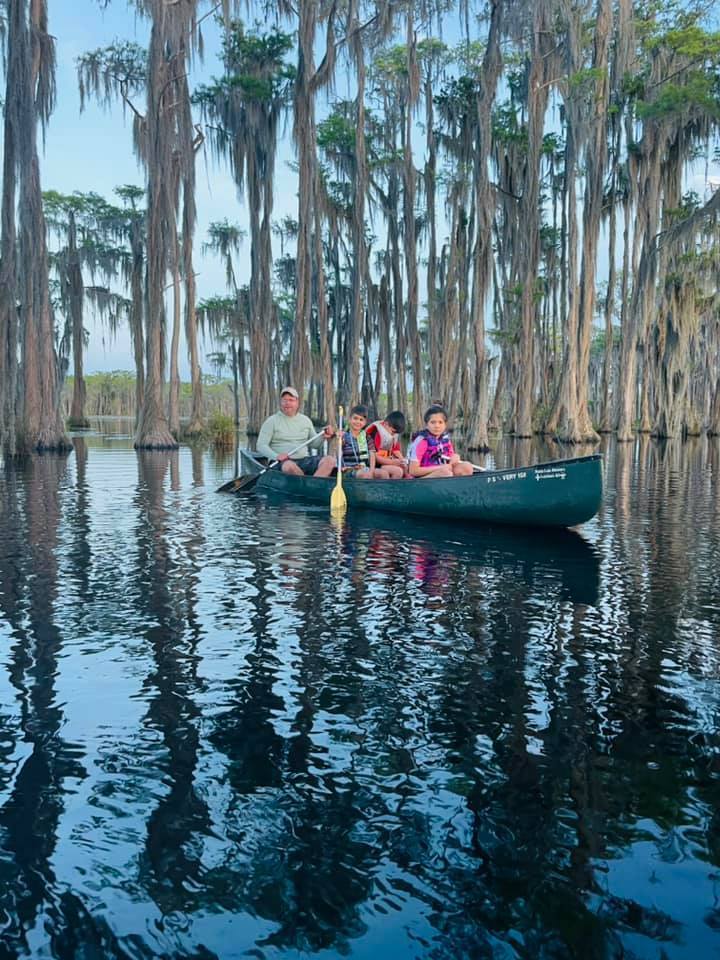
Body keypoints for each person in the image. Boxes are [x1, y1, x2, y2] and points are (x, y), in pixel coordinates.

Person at [256, 387, 335, 477]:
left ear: (297, 403)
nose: (287, 403)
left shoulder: (305, 420)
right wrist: (276, 456)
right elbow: (261, 446)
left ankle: (312, 485)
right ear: (280, 402)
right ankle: (309, 485)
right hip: (280, 462)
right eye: (284, 400)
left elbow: (315, 445)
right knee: (289, 466)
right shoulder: (271, 421)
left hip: (304, 460)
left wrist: (323, 436)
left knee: (330, 460)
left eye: (291, 400)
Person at [407, 404, 474, 479]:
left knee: (467, 467)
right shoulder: (421, 441)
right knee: (445, 473)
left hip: (444, 471)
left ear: (445, 425)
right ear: (426, 424)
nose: (437, 426)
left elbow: (451, 459)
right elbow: (413, 470)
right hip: (423, 478)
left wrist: (455, 457)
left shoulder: (445, 439)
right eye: (433, 422)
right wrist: (440, 468)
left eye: (440, 422)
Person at [341, 404, 392, 479]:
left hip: (364, 468)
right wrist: (340, 441)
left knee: (383, 473)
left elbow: (372, 455)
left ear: (365, 423)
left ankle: (381, 491)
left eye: (361, 420)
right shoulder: (344, 435)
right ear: (349, 419)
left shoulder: (367, 437)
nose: (358, 422)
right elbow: (337, 454)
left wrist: (371, 471)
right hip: (348, 470)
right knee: (365, 475)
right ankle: (362, 490)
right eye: (355, 418)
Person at [365, 410, 406, 479]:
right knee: (397, 471)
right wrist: (393, 462)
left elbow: (396, 451)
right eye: (393, 432)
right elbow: (375, 457)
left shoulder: (393, 434)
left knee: (403, 467)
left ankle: (395, 487)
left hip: (384, 462)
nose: (394, 435)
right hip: (373, 464)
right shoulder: (377, 434)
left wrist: (402, 461)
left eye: (396, 433)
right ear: (386, 424)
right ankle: (387, 488)